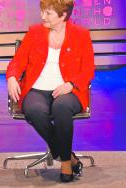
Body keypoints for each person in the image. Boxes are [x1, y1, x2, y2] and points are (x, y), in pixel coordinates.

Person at [6, 0, 94, 183]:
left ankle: (66, 165)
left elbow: (88, 70)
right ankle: (67, 156)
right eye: (42, 12)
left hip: (69, 90)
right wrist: (12, 77)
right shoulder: (35, 32)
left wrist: (71, 84)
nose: (42, 16)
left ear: (63, 16)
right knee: (35, 111)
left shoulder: (81, 35)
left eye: (48, 13)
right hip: (37, 89)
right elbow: (17, 62)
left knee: (61, 108)